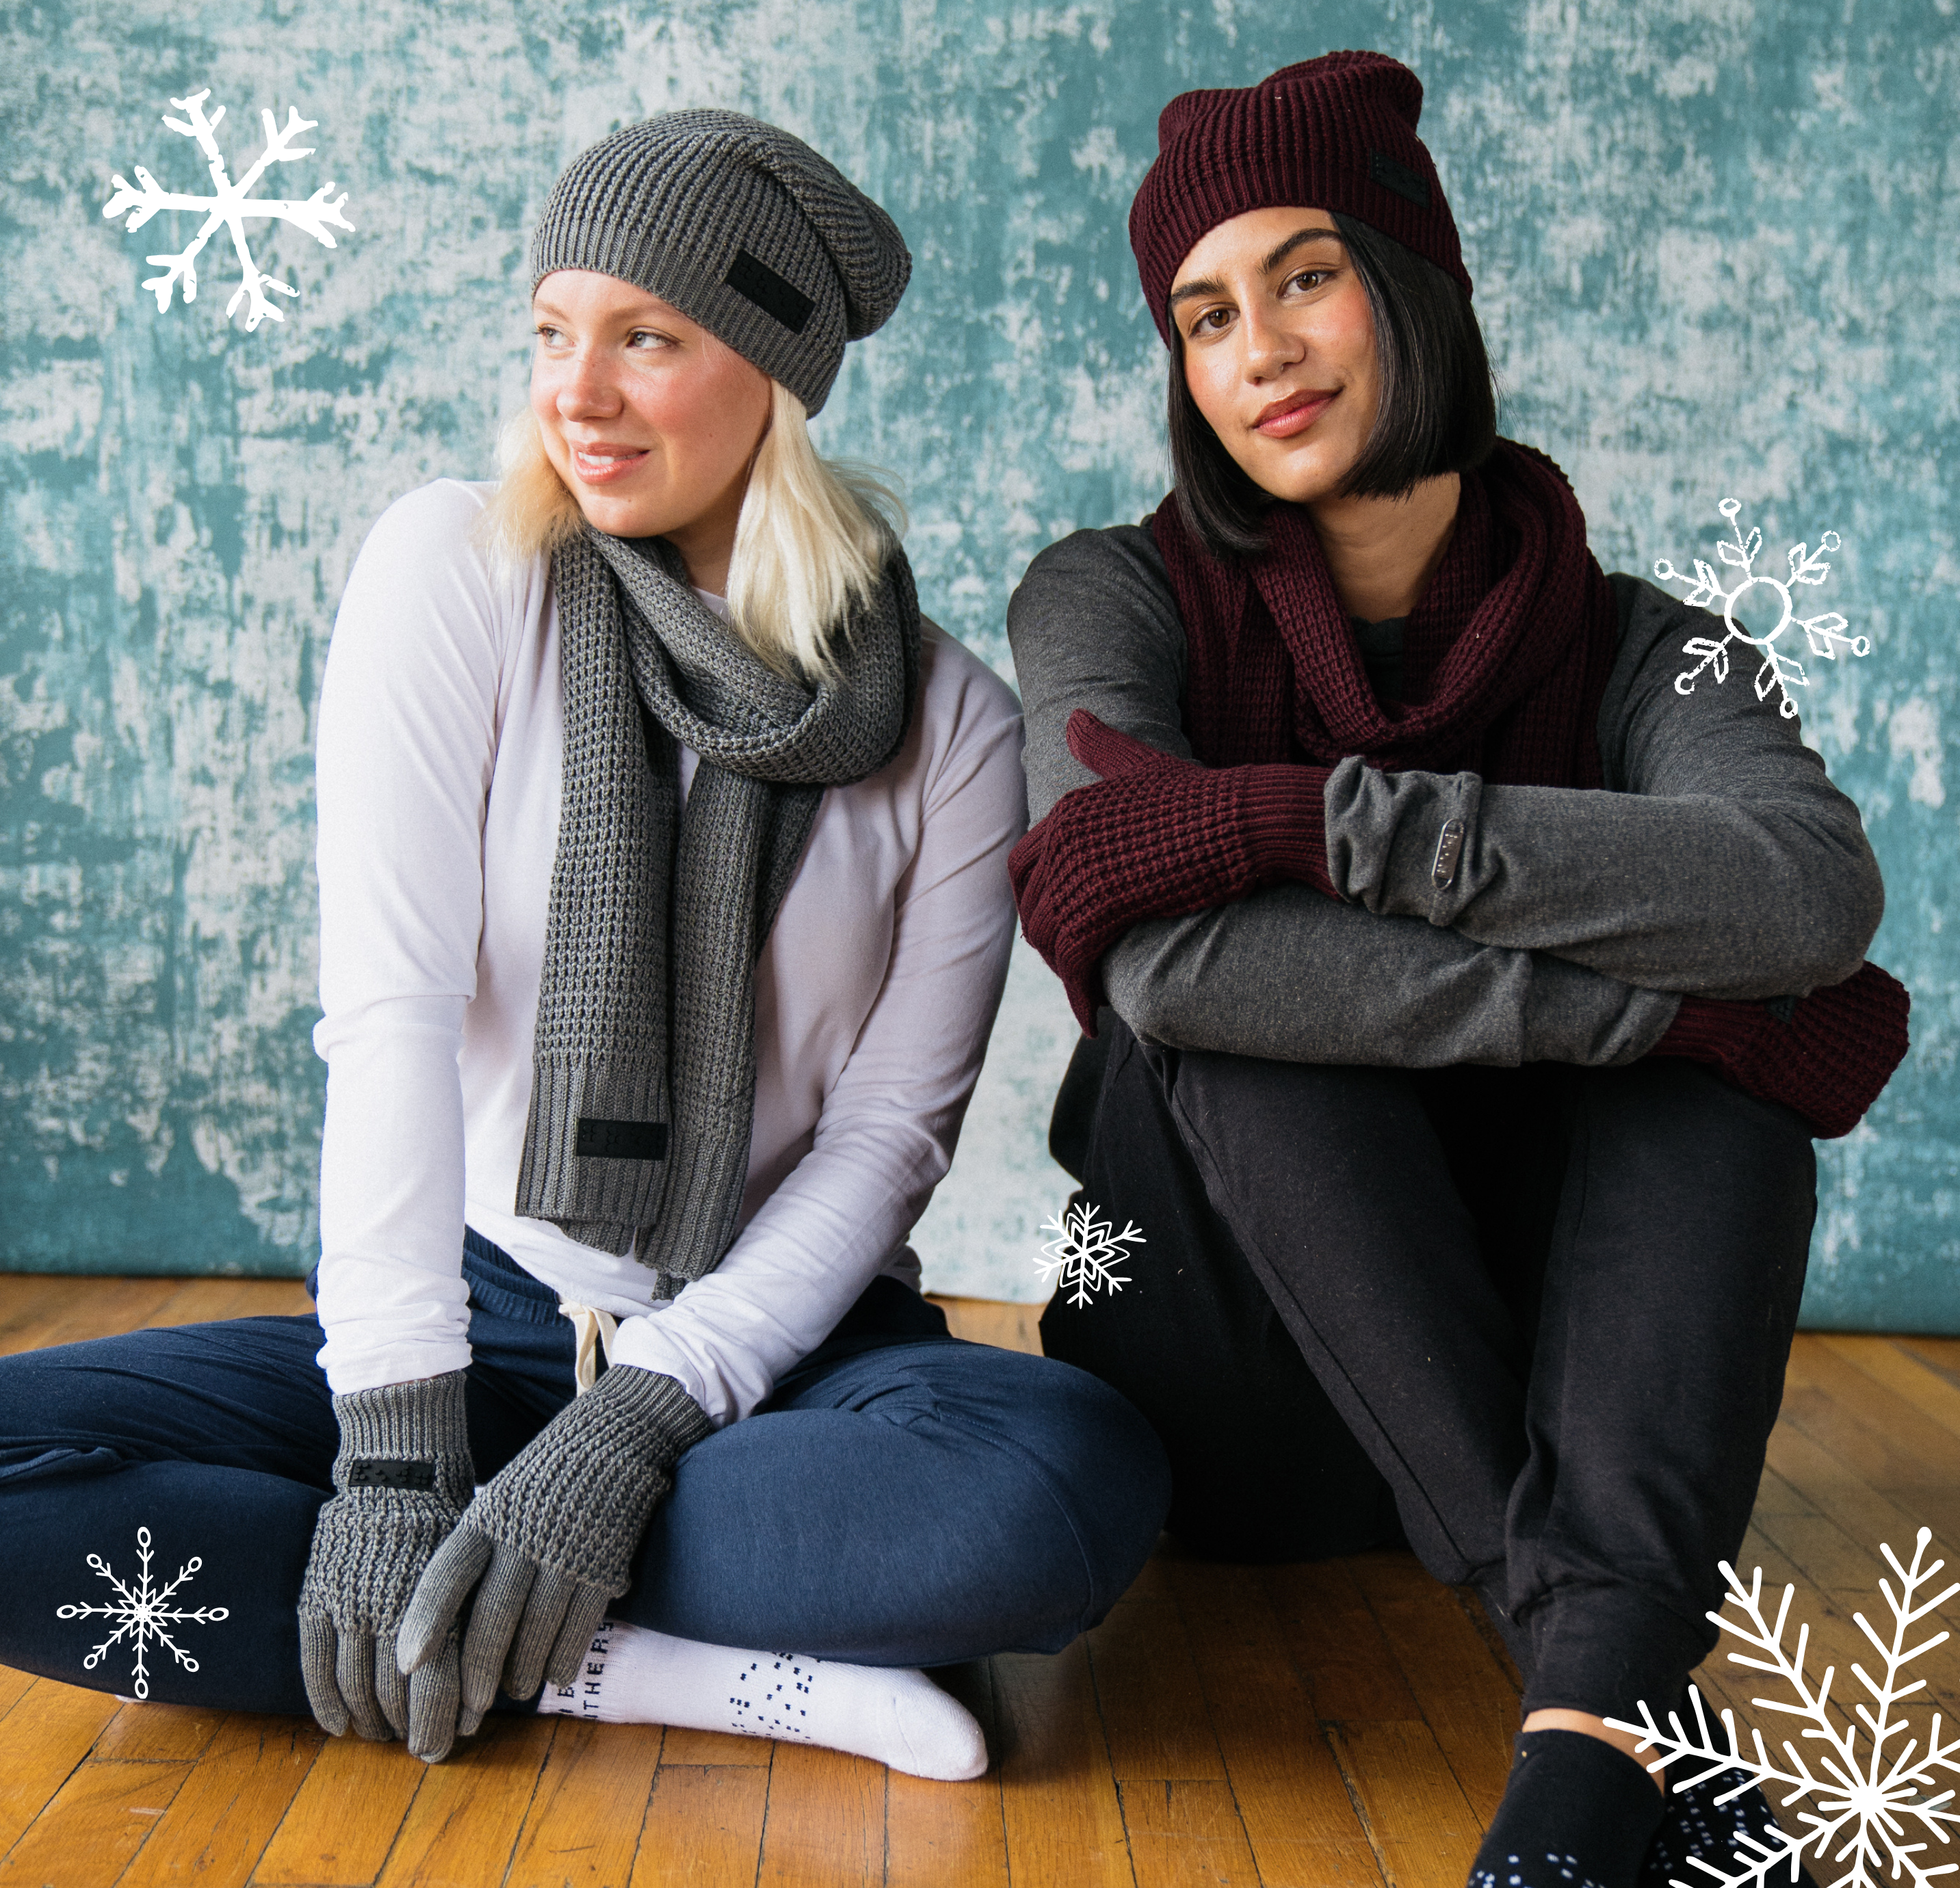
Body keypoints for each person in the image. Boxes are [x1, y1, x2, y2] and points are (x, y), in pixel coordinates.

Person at [0, 109, 1169, 1774]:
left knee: (1056, 1492)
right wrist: (398, 1454)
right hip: (470, 1315)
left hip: (771, 1361)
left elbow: (886, 1140)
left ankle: (496, 1594)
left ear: (769, 370)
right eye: (553, 331)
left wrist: (634, 1424)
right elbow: (389, 1020)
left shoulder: (954, 728)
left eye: (647, 338)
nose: (578, 392)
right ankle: (646, 1662)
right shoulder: (459, 573)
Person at [1006, 52, 1907, 1888]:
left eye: (1309, 273)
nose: (1259, 345)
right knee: (1279, 1022)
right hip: (1233, 1382)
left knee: (1723, 1083)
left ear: (1420, 281)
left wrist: (1328, 823)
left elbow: (1808, 895)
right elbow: (1158, 960)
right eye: (1204, 312)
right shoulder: (1106, 598)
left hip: (1555, 1377)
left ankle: (1582, 1736)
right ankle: (1609, 1668)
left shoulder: (1669, 649)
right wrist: (1658, 999)